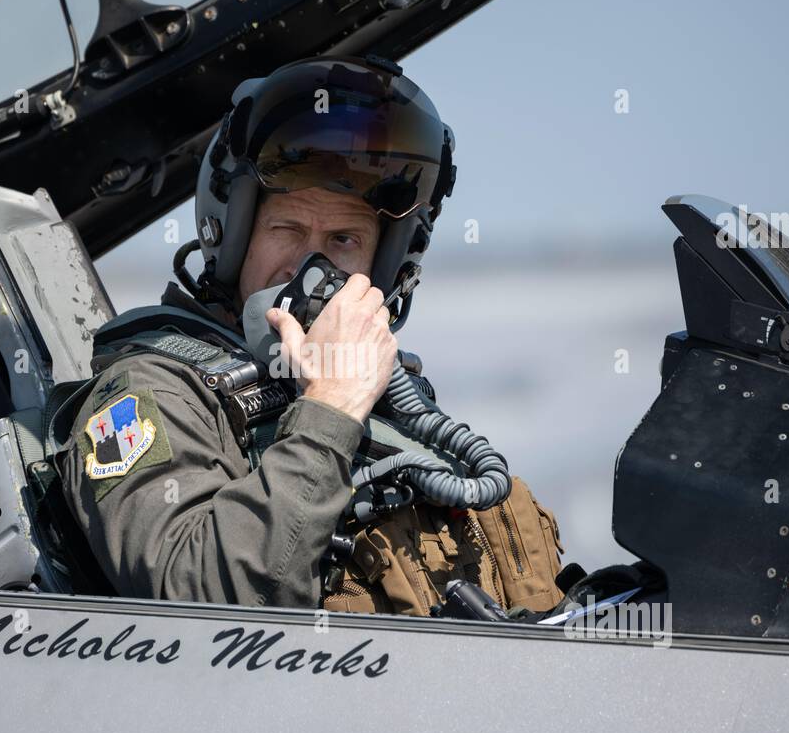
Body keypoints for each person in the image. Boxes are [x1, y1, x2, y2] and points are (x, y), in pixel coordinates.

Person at [56, 55, 566, 616]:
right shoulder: (147, 396)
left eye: (344, 238)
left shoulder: (391, 402)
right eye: (287, 228)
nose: (310, 267)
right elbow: (200, 608)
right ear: (234, 238)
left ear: (386, 265)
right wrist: (330, 412)